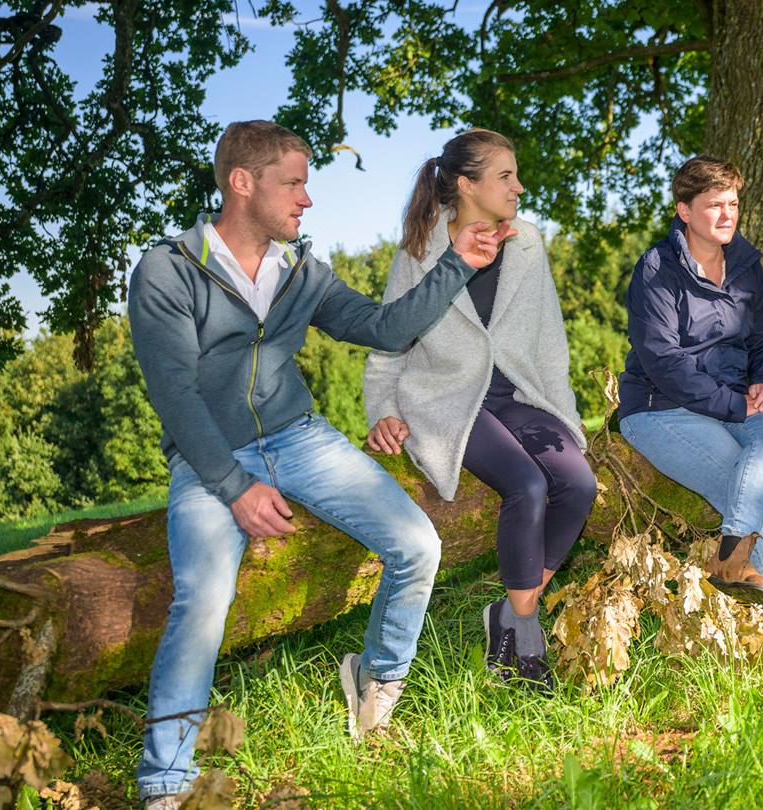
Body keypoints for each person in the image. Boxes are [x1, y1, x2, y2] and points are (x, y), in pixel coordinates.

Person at [128, 120, 511, 808]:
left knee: (418, 544)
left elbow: (386, 328)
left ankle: (376, 685)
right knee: (205, 599)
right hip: (208, 456)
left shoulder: (301, 272)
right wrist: (235, 486)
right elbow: (173, 394)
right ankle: (166, 783)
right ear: (243, 183)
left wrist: (459, 261)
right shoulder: (167, 269)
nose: (307, 200)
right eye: (295, 183)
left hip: (300, 437)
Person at [363, 129, 594, 693]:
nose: (518, 186)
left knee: (578, 485)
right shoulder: (420, 251)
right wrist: (382, 409)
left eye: (516, 175)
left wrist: (562, 412)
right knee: (527, 487)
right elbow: (390, 339)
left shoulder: (529, 243)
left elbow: (548, 339)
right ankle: (528, 633)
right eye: (505, 177)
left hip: (519, 395)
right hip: (446, 400)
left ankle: (508, 614)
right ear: (467, 185)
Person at [617, 155, 763, 657]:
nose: (727, 214)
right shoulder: (656, 269)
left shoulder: (748, 266)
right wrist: (735, 403)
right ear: (684, 211)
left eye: (733, 204)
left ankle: (732, 557)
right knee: (745, 478)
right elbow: (664, 361)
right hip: (659, 409)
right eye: (715, 205)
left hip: (735, 403)